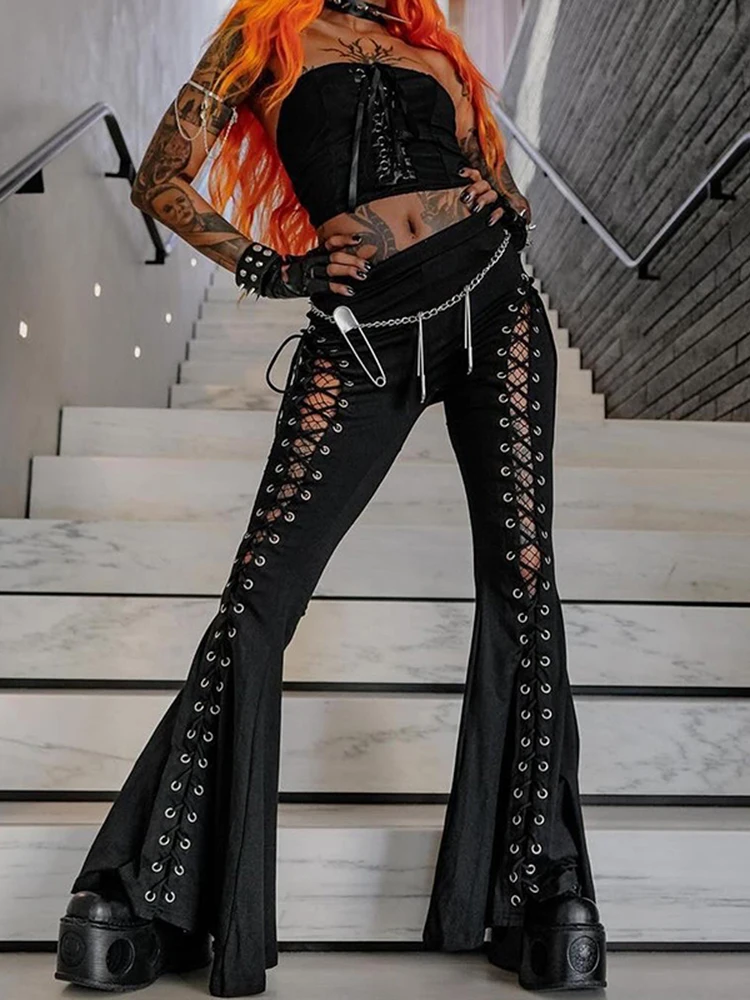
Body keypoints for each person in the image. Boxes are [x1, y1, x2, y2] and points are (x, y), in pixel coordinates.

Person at [54, 1, 607, 995]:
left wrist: (504, 195)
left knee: (524, 576)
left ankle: (544, 890)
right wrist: (274, 267)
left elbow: (496, 177)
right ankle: (152, 886)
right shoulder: (262, 35)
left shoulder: (434, 49)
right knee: (259, 596)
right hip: (360, 328)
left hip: (494, 300)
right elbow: (160, 176)